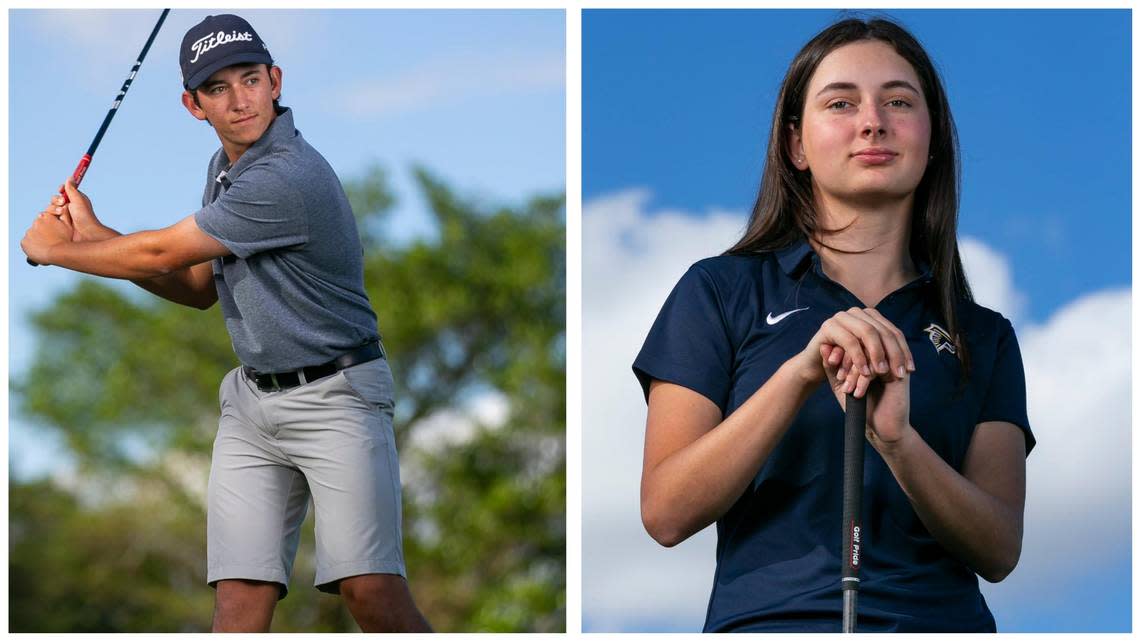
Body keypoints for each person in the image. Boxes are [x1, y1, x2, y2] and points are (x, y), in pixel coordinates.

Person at [21, 14, 432, 633]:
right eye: (218, 88)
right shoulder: (224, 168)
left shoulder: (286, 175)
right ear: (193, 105)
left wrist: (59, 250)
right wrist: (95, 234)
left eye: (250, 79)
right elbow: (193, 288)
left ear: (275, 80)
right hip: (251, 405)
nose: (239, 100)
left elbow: (160, 253)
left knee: (369, 590)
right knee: (238, 603)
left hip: (337, 397)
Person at [634, 18, 1034, 633]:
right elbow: (665, 511)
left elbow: (1000, 548)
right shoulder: (719, 290)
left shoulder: (984, 335)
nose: (873, 121)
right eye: (841, 103)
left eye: (899, 101)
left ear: (932, 140)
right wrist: (797, 377)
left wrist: (900, 444)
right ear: (796, 144)